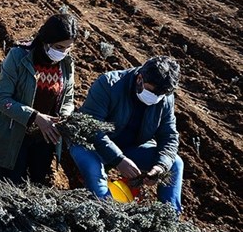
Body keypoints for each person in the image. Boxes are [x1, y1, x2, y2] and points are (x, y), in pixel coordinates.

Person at [70, 56, 183, 213]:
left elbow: (169, 136)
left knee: (175, 164)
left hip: (131, 147)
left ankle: (170, 219)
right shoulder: (109, 84)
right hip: (91, 145)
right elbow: (92, 128)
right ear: (140, 78)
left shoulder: (165, 98)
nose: (155, 97)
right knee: (96, 177)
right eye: (150, 91)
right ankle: (107, 215)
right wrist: (118, 160)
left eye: (161, 94)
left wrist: (160, 166)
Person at [0, 14, 77, 185]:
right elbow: (2, 99)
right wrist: (35, 117)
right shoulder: (19, 57)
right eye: (59, 47)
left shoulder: (66, 64)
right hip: (14, 135)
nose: (63, 52)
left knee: (38, 184)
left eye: (67, 48)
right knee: (11, 186)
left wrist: (63, 117)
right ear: (46, 41)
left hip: (46, 137)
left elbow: (68, 98)